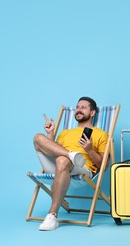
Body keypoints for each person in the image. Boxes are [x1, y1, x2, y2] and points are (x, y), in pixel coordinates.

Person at [33, 97, 109, 231]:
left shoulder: (101, 135)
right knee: (38, 137)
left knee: (62, 160)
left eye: (83, 107)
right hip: (60, 164)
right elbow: (51, 151)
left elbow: (104, 165)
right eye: (77, 107)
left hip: (82, 167)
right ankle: (72, 155)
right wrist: (50, 134)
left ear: (92, 113)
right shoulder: (65, 132)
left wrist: (89, 150)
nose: (78, 110)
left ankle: (52, 215)